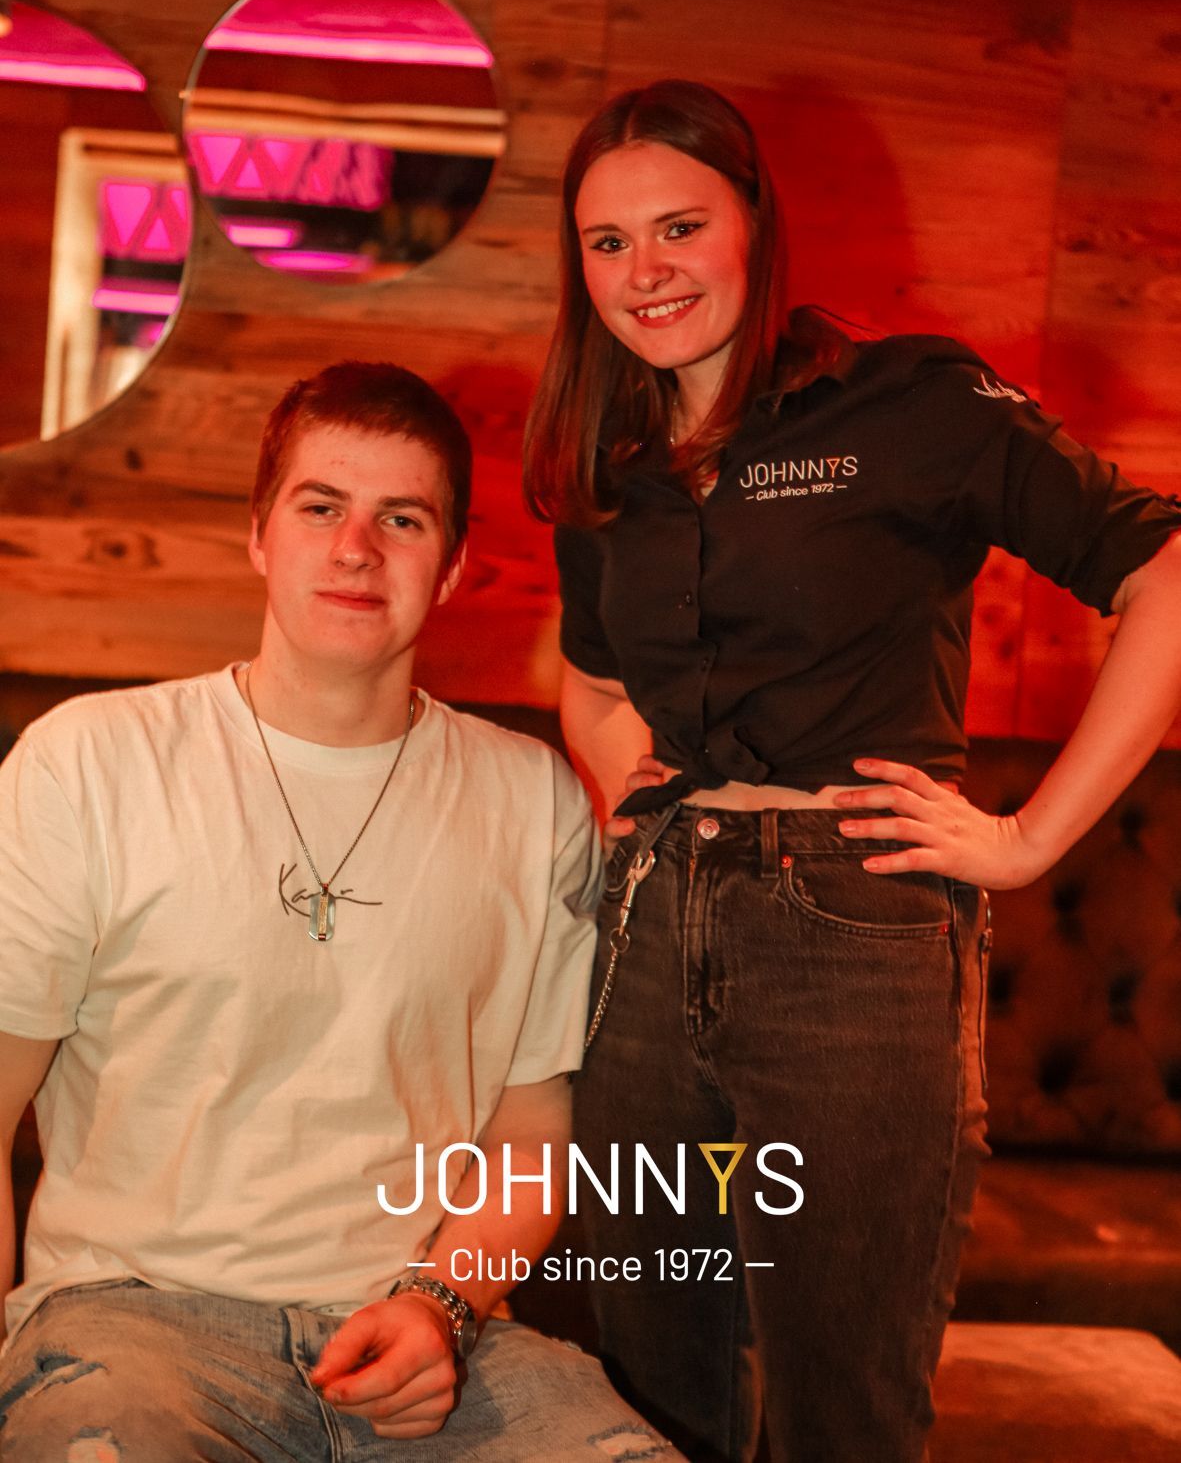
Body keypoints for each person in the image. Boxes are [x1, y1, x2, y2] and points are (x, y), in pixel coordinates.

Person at [522, 79, 1181, 1463]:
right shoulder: (611, 457)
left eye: (680, 227)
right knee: (643, 1395)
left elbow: (1166, 574)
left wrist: (1027, 839)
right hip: (646, 941)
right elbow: (590, 679)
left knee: (841, 1413)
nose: (644, 272)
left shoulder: (911, 401)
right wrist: (635, 790)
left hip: (854, 934)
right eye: (607, 243)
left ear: (755, 225)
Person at [0, 361, 681, 1462]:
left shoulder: (532, 798)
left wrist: (442, 1303)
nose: (356, 548)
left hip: (422, 1336)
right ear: (259, 535)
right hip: (134, 1325)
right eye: (321, 507)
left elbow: (531, 1130)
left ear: (451, 566)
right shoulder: (90, 763)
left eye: (400, 518)